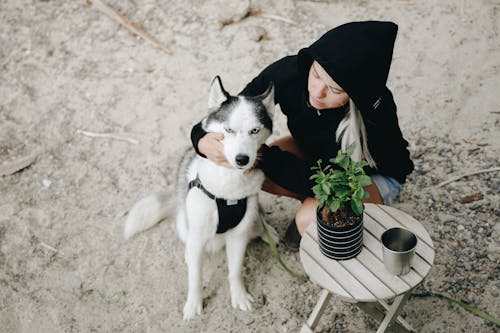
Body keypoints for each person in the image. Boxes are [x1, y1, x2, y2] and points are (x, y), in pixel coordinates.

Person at [190, 21, 414, 250]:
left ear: (356, 96)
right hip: (315, 153)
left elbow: (331, 180)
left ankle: (320, 215)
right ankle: (310, 204)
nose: (318, 92)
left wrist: (264, 157)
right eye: (317, 75)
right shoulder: (290, 72)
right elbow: (232, 111)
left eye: (335, 90)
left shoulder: (374, 115)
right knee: (249, 165)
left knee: (307, 217)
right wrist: (201, 139)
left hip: (365, 175)